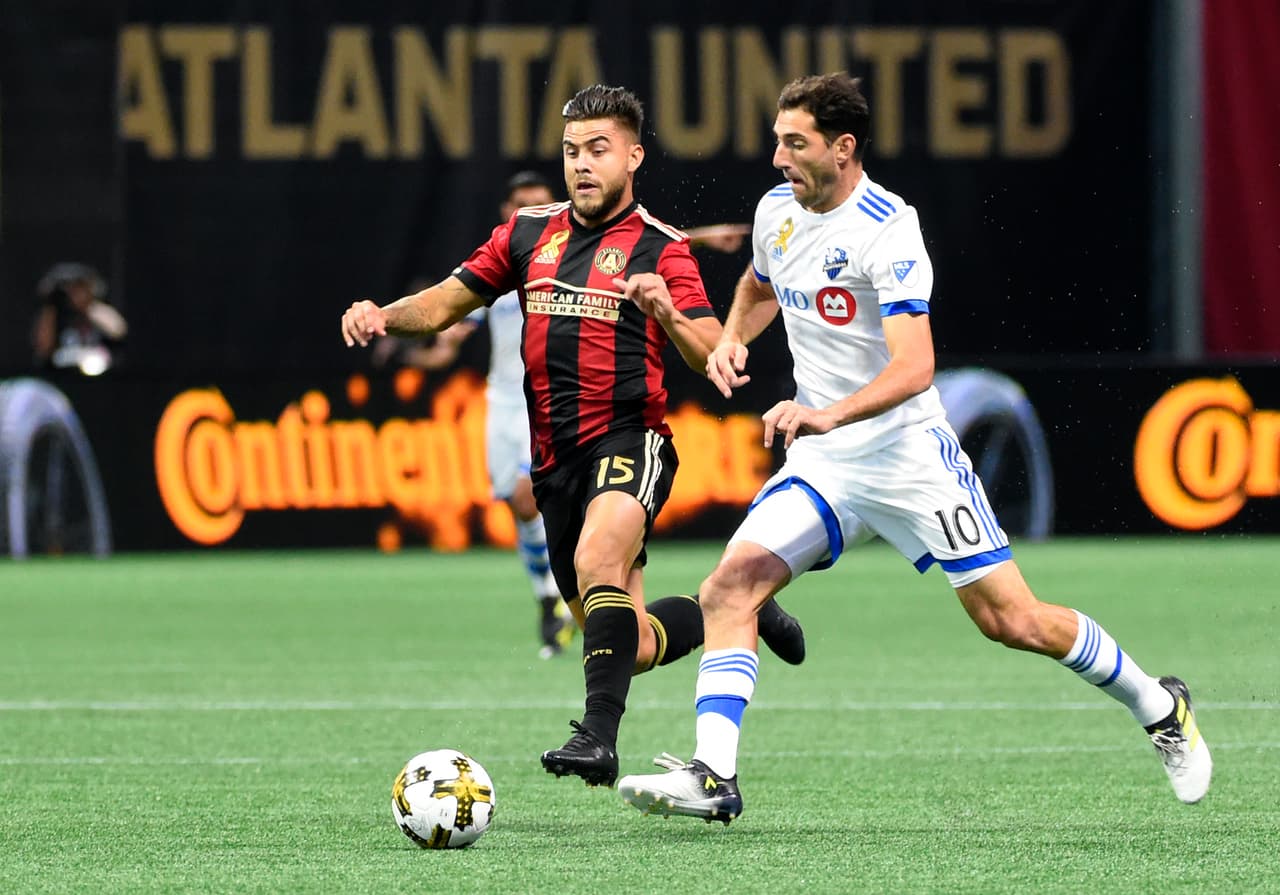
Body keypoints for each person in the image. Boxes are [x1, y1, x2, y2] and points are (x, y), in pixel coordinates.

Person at [617, 72, 1212, 823]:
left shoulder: (888, 228)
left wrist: (828, 413)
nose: (778, 158)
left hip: (907, 457)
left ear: (843, 147)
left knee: (1012, 621)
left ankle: (1160, 706)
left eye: (795, 143)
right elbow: (760, 286)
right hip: (827, 465)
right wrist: (734, 336)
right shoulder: (777, 210)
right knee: (729, 588)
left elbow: (915, 367)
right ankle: (714, 775)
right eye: (777, 141)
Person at [341, 84, 805, 788]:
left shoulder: (661, 247)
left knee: (598, 556)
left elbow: (713, 350)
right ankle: (740, 607)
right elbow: (442, 305)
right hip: (554, 460)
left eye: (598, 149)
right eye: (571, 151)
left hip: (630, 439)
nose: (582, 164)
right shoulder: (528, 233)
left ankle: (597, 737)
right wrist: (384, 313)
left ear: (633, 157)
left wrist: (667, 312)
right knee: (629, 642)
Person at [31, 262, 127, 375]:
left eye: (79, 288)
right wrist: (51, 303)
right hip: (61, 377)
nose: (74, 294)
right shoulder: (55, 315)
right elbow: (43, 349)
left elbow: (118, 331)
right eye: (70, 289)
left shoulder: (96, 312)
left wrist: (87, 305)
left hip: (102, 379)